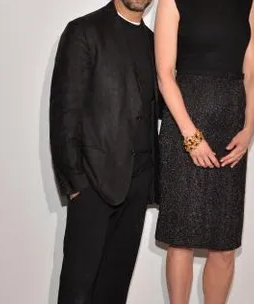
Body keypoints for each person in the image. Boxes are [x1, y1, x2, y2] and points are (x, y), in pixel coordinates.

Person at [49, 0, 159, 303]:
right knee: (78, 287)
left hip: (138, 184)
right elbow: (65, 111)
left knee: (114, 287)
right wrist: (75, 184)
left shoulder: (153, 42)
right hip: (93, 183)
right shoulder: (84, 31)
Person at [154, 0, 254, 303]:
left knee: (224, 242)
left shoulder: (249, 2)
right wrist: (190, 136)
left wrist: (249, 128)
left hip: (231, 129)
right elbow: (164, 74)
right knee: (181, 238)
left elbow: (253, 71)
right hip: (184, 124)